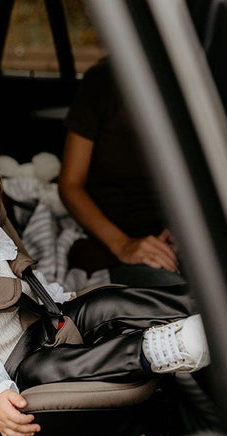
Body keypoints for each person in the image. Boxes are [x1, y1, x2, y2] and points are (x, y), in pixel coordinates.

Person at [0, 129, 210, 436]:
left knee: (105, 302)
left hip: (47, 321)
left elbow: (29, 284)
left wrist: (63, 300)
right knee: (47, 370)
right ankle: (155, 350)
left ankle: (201, 305)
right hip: (21, 362)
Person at [58, 58, 180, 280]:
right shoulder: (104, 80)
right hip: (110, 236)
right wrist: (122, 244)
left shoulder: (204, 81)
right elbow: (70, 185)